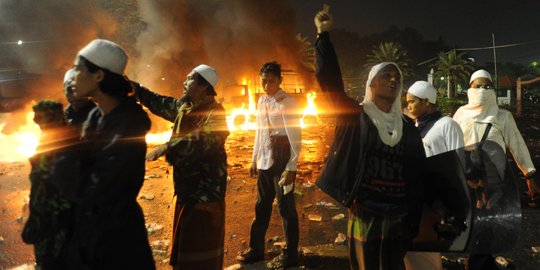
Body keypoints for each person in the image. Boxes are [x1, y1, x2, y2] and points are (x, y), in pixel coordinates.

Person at [313, 10, 426, 270]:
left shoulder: (408, 128)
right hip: (366, 211)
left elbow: (417, 175)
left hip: (398, 215)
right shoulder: (356, 117)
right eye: (386, 75)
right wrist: (323, 36)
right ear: (371, 85)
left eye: (396, 76)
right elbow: (329, 82)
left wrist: (416, 216)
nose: (393, 79)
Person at [51, 39, 155, 269]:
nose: (73, 75)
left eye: (78, 68)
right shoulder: (95, 118)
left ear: (98, 76)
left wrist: (58, 152)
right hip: (92, 235)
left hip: (117, 242)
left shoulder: (128, 125)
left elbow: (93, 189)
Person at [133, 64, 229, 270]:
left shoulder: (216, 112)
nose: (184, 82)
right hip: (187, 190)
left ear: (204, 86)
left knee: (200, 256)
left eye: (190, 79)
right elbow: (158, 102)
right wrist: (134, 88)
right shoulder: (184, 107)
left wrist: (170, 146)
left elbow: (207, 139)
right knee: (185, 253)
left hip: (205, 195)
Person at [453, 69, 538, 269]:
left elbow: (517, 145)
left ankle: (479, 261)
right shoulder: (460, 114)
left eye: (487, 86)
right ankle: (477, 260)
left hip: (495, 180)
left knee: (489, 221)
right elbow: (450, 145)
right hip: (468, 180)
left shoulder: (503, 116)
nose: (482, 90)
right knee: (472, 223)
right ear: (470, 88)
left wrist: (529, 176)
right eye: (478, 86)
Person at [236, 61, 302, 269]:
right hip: (265, 160)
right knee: (261, 206)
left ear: (280, 80)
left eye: (271, 81)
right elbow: (259, 132)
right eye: (263, 81)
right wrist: (254, 158)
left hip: (282, 159)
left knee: (285, 208)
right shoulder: (262, 101)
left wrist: (291, 168)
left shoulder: (287, 102)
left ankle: (291, 254)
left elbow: (295, 137)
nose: (266, 85)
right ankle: (256, 250)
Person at [403, 81, 465, 270]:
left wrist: (454, 203)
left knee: (428, 250)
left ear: (427, 102)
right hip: (416, 196)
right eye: (407, 102)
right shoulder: (413, 127)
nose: (409, 106)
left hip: (436, 199)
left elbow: (458, 162)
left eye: (413, 101)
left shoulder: (447, 124)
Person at [22, 100, 74, 270]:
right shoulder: (52, 139)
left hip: (56, 221)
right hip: (50, 218)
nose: (37, 120)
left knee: (55, 260)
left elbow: (50, 188)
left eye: (40, 117)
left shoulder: (60, 144)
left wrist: (38, 219)